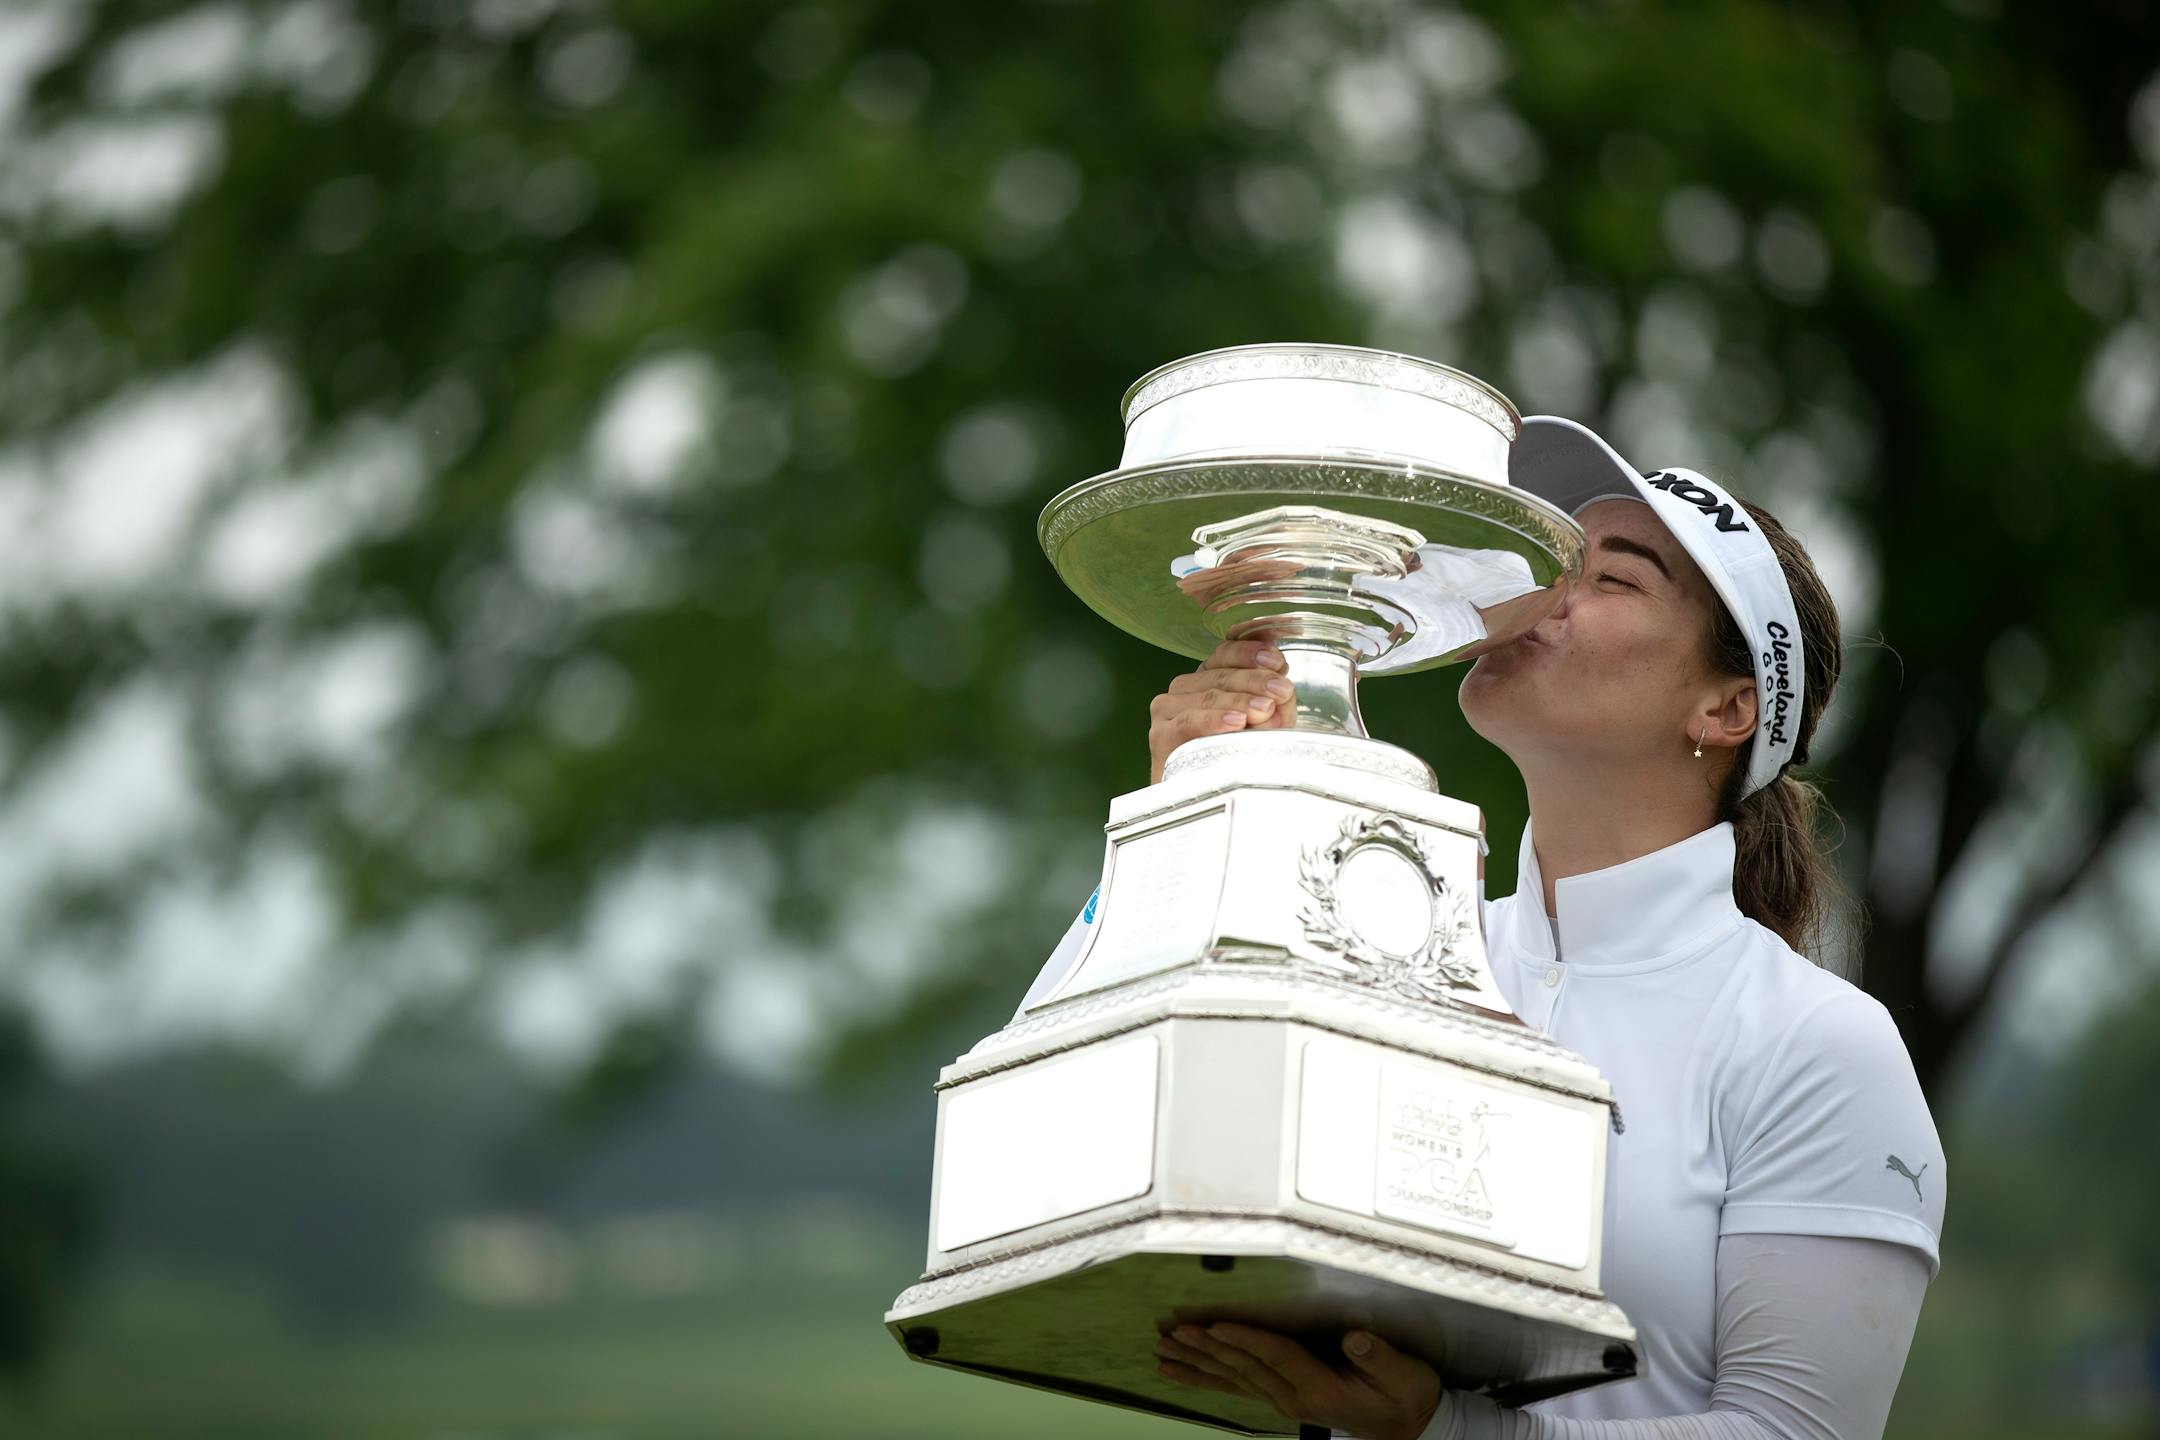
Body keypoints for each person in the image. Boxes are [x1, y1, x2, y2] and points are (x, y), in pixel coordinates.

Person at [1016, 417, 1945, 1439]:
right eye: (1553, 564)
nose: (1543, 593)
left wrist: (1450, 1430)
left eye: (1613, 579)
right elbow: (1047, 1133)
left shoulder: (1816, 1044)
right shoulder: (1395, 944)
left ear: (1726, 708)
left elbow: (1797, 1433)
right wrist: (1186, 813)